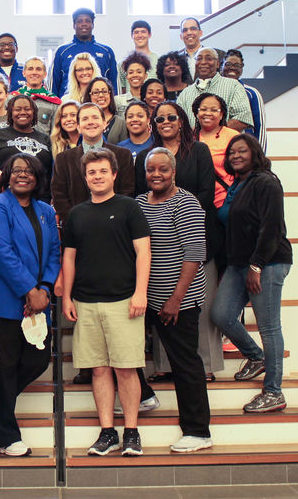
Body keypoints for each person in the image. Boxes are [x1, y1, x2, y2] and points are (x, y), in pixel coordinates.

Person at [61, 148, 151, 456]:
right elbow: (69, 257)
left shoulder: (129, 208)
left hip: (124, 301)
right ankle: (107, 431)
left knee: (126, 369)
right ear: (85, 179)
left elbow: (143, 252)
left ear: (114, 174)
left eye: (102, 171)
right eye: (91, 173)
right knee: (98, 370)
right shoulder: (77, 214)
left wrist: (141, 293)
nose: (97, 177)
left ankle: (131, 431)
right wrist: (68, 296)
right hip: (86, 303)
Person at [135, 102, 224, 380]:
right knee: (159, 303)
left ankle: (204, 365)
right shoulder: (145, 156)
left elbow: (207, 193)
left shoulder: (198, 150)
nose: (165, 121)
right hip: (157, 243)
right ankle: (164, 366)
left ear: (182, 121)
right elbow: (142, 196)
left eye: (171, 116)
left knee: (195, 306)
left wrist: (178, 213)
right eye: (159, 118)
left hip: (193, 236)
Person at [0, 154, 60, 456]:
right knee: (5, 368)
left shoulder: (45, 210)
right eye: (16, 171)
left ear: (38, 177)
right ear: (8, 176)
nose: (22, 175)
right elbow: (1, 252)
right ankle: (4, 436)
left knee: (37, 361)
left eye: (29, 171)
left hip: (39, 302)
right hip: (5, 302)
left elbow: (54, 251)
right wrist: (28, 289)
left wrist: (43, 289)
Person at [136, 147, 212, 452]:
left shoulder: (186, 203)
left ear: (174, 172)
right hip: (147, 297)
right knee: (125, 352)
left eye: (162, 170)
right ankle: (143, 396)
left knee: (185, 363)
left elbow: (195, 254)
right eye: (151, 170)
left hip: (178, 300)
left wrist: (176, 299)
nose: (156, 175)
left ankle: (198, 431)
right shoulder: (141, 203)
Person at [211, 134, 293, 413]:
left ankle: (274, 392)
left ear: (254, 152)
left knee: (269, 328)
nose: (235, 155)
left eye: (242, 150)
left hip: (267, 262)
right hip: (238, 264)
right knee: (221, 315)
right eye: (231, 152)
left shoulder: (266, 182)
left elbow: (272, 228)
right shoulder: (237, 184)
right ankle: (256, 357)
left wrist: (257, 265)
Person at [51, 102, 134, 226]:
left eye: (95, 117)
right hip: (77, 228)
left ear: (105, 123)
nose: (90, 122)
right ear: (78, 126)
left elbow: (127, 191)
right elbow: (59, 195)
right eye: (85, 119)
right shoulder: (63, 159)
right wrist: (75, 221)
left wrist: (111, 219)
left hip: (114, 226)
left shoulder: (123, 155)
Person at [0, 95, 53, 199]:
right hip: (5, 196)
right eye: (17, 109)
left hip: (39, 198)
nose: (23, 112)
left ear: (34, 113)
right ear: (10, 113)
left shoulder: (45, 139)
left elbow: (49, 172)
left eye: (27, 109)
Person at [177, 47, 253, 132]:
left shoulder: (233, 86)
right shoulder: (185, 93)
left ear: (217, 64)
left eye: (208, 58)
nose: (203, 62)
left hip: (225, 143)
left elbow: (243, 118)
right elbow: (179, 123)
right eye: (199, 59)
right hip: (193, 144)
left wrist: (213, 133)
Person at [51, 8, 118, 97]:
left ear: (92, 24)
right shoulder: (62, 51)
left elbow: (114, 82)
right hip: (69, 104)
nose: (84, 24)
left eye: (87, 21)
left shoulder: (106, 52)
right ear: (74, 25)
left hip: (98, 103)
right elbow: (54, 83)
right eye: (79, 21)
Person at [192, 93, 238, 208]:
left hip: (225, 202)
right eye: (203, 109)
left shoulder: (233, 137)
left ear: (222, 114)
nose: (208, 113)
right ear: (197, 113)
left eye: (214, 110)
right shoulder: (188, 137)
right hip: (195, 203)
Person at [222, 49, 267, 153]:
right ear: (221, 65)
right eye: (228, 64)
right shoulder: (213, 91)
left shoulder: (252, 93)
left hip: (244, 151)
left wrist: (260, 157)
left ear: (242, 68)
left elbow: (260, 128)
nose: (232, 68)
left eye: (237, 65)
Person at [11, 56, 62, 135]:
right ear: (24, 73)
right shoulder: (12, 98)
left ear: (45, 74)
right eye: (30, 69)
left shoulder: (54, 102)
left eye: (38, 69)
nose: (34, 72)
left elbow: (54, 134)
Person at [82, 77, 127, 145]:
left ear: (110, 94)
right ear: (89, 95)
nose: (100, 95)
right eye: (96, 92)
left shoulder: (120, 123)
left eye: (104, 91)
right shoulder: (83, 122)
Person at [118, 21, 158, 95]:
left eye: (143, 32)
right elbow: (123, 89)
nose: (140, 35)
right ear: (132, 36)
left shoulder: (159, 61)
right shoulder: (123, 63)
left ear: (150, 35)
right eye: (136, 32)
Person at [115, 52, 151, 117]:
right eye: (131, 72)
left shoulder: (150, 100)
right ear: (127, 76)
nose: (135, 75)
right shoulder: (118, 101)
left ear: (145, 75)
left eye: (139, 72)